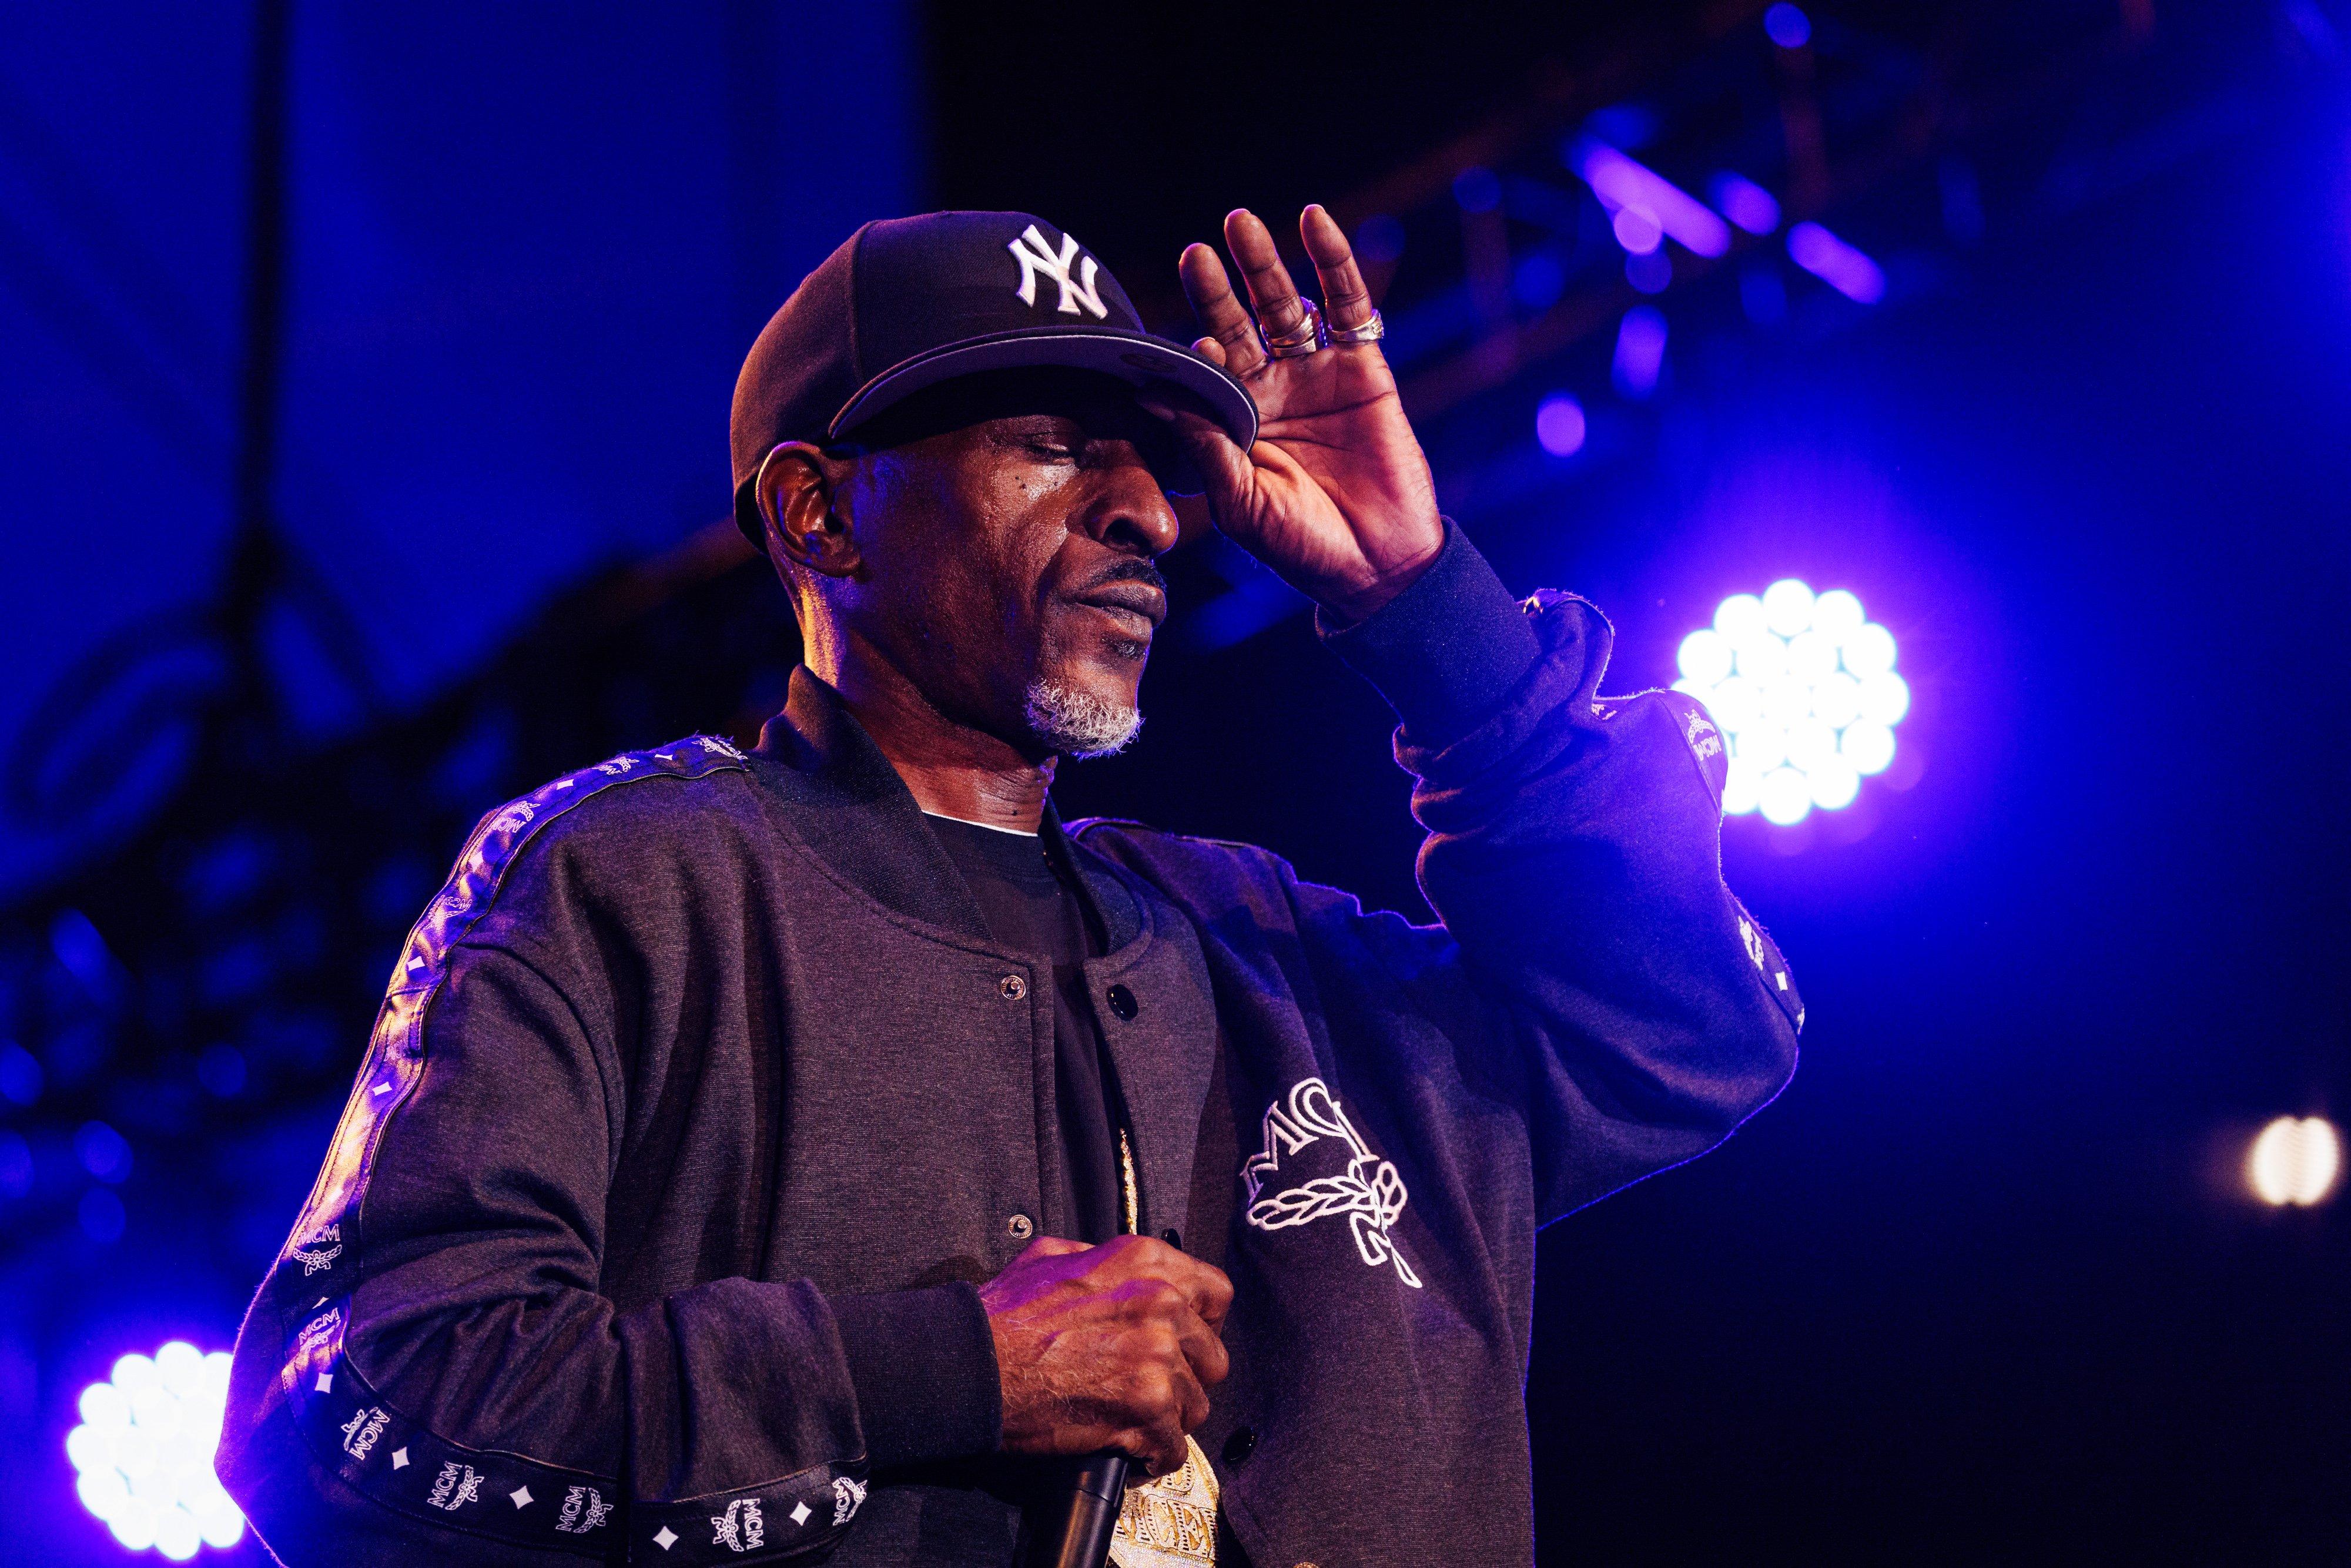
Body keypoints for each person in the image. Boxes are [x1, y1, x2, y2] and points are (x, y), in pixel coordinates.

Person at [219, 207, 1800, 1567]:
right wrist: (950, 1367)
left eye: (1153, 463)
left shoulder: (1264, 949)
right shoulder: (638, 881)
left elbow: (1678, 1037)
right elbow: (351, 1409)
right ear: (820, 510)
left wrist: (1426, 606)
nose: (1148, 511)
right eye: (1052, 447)